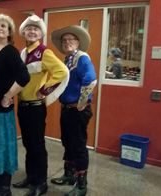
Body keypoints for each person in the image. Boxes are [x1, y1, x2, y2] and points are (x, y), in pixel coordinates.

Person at [12, 15, 69, 196]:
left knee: (37, 145)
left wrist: (44, 90)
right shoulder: (23, 53)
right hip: (22, 106)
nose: (32, 31)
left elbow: (61, 71)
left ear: (40, 34)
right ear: (24, 32)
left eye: (36, 29)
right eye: (29, 28)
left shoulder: (44, 52)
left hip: (36, 107)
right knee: (28, 144)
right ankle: (31, 177)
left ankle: (41, 183)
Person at [0, 14, 30, 196]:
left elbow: (24, 76)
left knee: (4, 148)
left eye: (3, 26)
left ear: (9, 32)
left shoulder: (10, 51)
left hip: (2, 110)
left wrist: (8, 95)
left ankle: (4, 188)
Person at [50, 25, 97, 196]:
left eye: (71, 39)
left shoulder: (82, 58)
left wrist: (81, 102)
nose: (67, 42)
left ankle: (81, 184)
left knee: (78, 146)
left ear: (78, 42)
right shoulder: (67, 60)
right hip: (67, 110)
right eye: (64, 40)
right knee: (68, 143)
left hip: (77, 111)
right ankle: (69, 175)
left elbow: (91, 80)